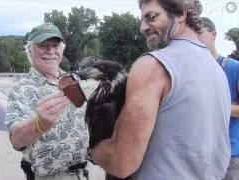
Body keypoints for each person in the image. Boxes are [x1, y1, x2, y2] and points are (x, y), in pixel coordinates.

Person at [88, 0, 231, 179]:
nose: (143, 27)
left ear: (181, 14)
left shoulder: (153, 65)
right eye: (142, 19)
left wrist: (93, 149)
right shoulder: (217, 69)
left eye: (151, 17)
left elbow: (122, 163)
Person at [5, 22, 90, 180]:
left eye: (55, 46)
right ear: (30, 49)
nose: (50, 51)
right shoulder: (21, 88)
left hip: (82, 174)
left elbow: (85, 126)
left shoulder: (72, 80)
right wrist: (39, 124)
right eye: (43, 45)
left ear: (61, 49)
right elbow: (16, 140)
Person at [198, 17, 239, 180]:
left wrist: (212, 105)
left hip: (230, 157)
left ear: (213, 35)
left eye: (198, 33)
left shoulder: (234, 67)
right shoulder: (190, 70)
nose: (195, 39)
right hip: (196, 156)